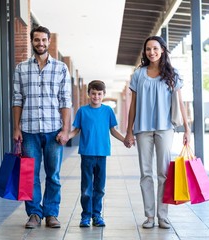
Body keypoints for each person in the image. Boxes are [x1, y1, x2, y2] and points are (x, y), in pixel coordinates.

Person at [124, 36, 191, 229]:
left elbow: (180, 104)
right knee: (146, 173)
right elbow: (133, 105)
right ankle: (149, 216)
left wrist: (187, 129)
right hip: (142, 129)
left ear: (162, 50)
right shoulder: (139, 74)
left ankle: (163, 215)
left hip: (165, 128)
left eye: (155, 48)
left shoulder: (172, 74)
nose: (151, 52)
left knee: (163, 173)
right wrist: (129, 131)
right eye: (148, 49)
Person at [12, 26, 72, 229]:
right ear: (32, 41)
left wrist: (65, 130)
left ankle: (51, 213)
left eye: (44, 40)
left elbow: (66, 101)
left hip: (54, 130)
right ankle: (34, 214)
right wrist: (16, 127)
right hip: (28, 130)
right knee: (29, 174)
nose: (40, 43)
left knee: (53, 175)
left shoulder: (61, 68)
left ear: (49, 42)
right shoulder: (21, 68)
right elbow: (17, 99)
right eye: (37, 40)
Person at [68, 80, 125, 228]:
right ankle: (86, 216)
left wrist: (125, 140)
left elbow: (113, 130)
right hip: (86, 154)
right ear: (88, 94)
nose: (96, 96)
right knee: (86, 188)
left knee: (99, 187)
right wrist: (66, 136)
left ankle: (97, 215)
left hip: (102, 154)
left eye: (99, 94)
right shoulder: (82, 111)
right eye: (93, 93)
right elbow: (76, 130)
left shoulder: (107, 111)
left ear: (104, 95)